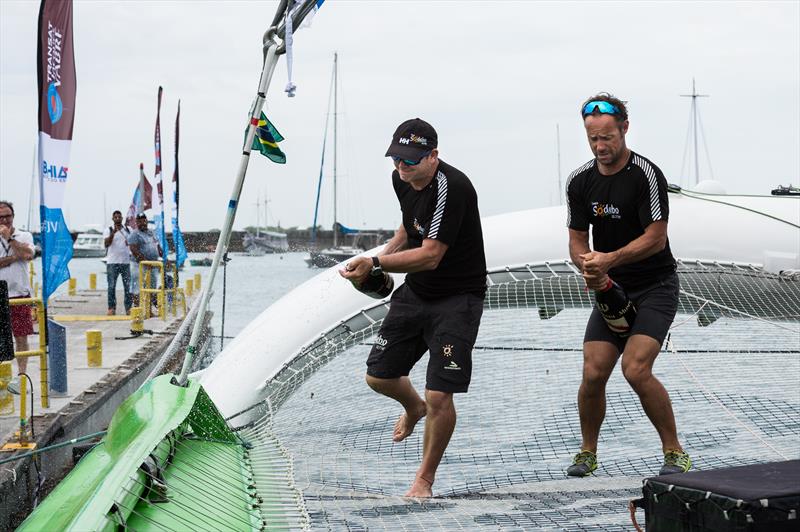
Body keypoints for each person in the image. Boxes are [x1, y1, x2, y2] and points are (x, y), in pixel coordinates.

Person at [340, 118, 486, 497]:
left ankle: (424, 479)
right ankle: (413, 407)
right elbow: (409, 229)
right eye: (396, 160)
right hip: (418, 293)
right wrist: (382, 255)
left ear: (433, 156)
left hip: (458, 299)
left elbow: (432, 255)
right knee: (379, 376)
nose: (402, 168)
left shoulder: (452, 188)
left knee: (440, 394)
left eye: (411, 160)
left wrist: (375, 264)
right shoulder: (401, 180)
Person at [565, 93, 690, 477]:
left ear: (624, 129)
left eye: (608, 138)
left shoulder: (646, 175)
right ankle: (587, 452)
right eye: (593, 140)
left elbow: (656, 237)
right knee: (593, 371)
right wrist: (587, 265)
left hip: (655, 286)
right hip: (611, 290)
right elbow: (576, 238)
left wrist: (608, 260)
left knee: (635, 370)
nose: (601, 147)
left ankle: (674, 453)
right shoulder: (579, 181)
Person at [0, 201, 36, 378]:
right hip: (1, 295)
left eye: (8, 216)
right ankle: (3, 375)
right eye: (1, 217)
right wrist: (15, 257)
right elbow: (21, 256)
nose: (5, 220)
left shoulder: (24, 235)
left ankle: (21, 375)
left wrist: (9, 239)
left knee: (21, 337)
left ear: (13, 216)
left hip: (20, 294)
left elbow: (28, 255)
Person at [127, 213, 162, 308]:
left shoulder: (151, 232)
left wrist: (162, 256)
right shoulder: (134, 234)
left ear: (146, 220)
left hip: (153, 265)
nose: (142, 222)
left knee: (151, 288)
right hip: (139, 265)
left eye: (144, 220)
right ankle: (137, 309)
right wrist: (145, 261)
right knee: (137, 288)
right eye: (139, 220)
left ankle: (148, 310)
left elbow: (157, 245)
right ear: (136, 222)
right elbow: (133, 249)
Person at [103, 210, 132, 315]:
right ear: (112, 219)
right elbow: (106, 244)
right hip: (112, 263)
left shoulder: (128, 230)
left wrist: (128, 239)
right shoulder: (108, 230)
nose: (117, 219)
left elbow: (132, 242)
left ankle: (128, 308)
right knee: (111, 286)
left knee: (128, 287)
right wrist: (113, 233)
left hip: (125, 263)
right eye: (115, 217)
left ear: (122, 218)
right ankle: (111, 308)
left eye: (119, 217)